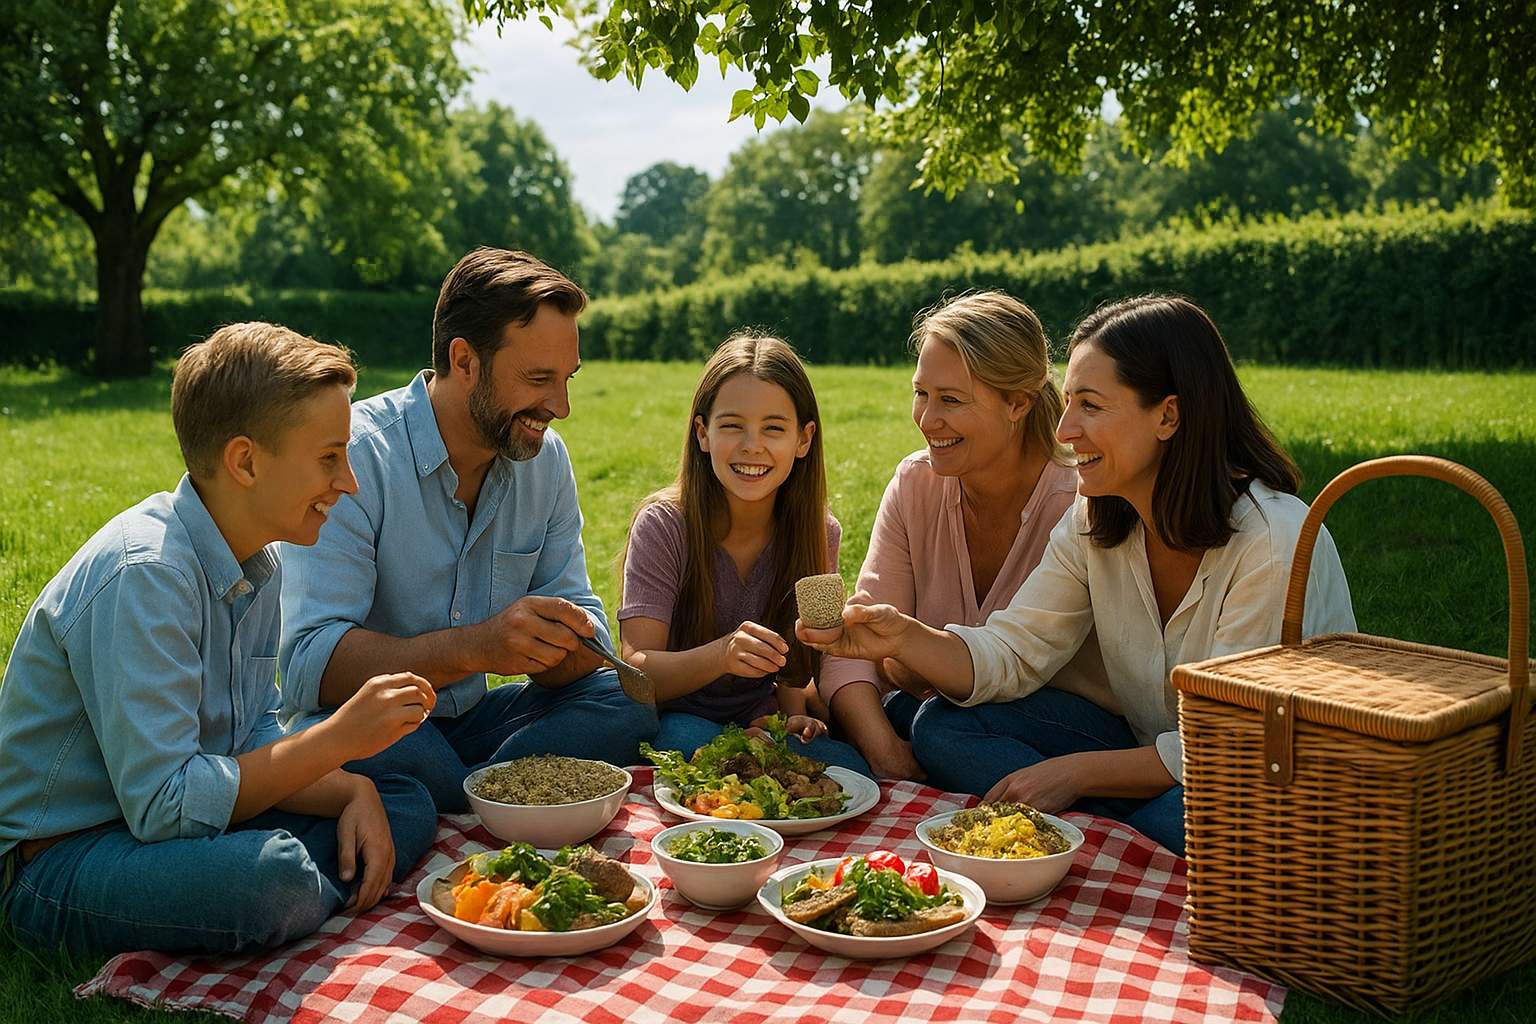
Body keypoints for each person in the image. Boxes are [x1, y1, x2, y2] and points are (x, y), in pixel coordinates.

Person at [800, 295, 1357, 856]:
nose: (1065, 429)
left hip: (1258, 780)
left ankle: (1113, 829)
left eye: (1089, 406)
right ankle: (1122, 835)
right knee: (943, 725)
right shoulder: (1097, 517)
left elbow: (1226, 743)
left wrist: (1075, 775)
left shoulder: (1270, 541)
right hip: (1144, 750)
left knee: (1188, 819)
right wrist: (902, 636)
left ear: (1168, 415)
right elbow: (1014, 652)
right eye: (1067, 404)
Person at [0, 324, 438, 956]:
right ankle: (298, 889)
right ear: (246, 462)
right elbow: (162, 805)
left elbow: (252, 726)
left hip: (177, 822)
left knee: (401, 795)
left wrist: (351, 785)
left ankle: (306, 883)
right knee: (267, 881)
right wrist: (337, 739)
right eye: (328, 457)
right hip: (66, 857)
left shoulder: (260, 559)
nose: (349, 482)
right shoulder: (145, 575)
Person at [279, 248, 655, 813]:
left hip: (473, 722)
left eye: (567, 379)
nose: (562, 406)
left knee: (623, 704)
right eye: (538, 379)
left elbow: (582, 614)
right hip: (372, 725)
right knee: (392, 751)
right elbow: (313, 665)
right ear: (465, 360)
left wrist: (574, 646)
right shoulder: (354, 456)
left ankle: (464, 795)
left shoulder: (545, 462)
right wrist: (479, 647)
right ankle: (494, 795)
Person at [817, 291, 1108, 780]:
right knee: (863, 735)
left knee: (936, 728)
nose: (927, 420)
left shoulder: (1081, 499)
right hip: (935, 714)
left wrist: (908, 669)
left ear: (1017, 402)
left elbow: (1007, 672)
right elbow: (856, 655)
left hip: (1060, 729)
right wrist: (887, 754)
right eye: (921, 393)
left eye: (950, 399)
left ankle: (1089, 816)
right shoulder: (915, 484)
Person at [618, 334, 871, 774]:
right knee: (686, 742)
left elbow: (797, 656)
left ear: (803, 439)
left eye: (774, 428)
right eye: (733, 425)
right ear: (703, 433)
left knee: (847, 765)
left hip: (761, 715)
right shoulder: (664, 525)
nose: (752, 445)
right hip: (677, 717)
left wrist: (791, 715)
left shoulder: (819, 532)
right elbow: (637, 669)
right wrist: (721, 655)